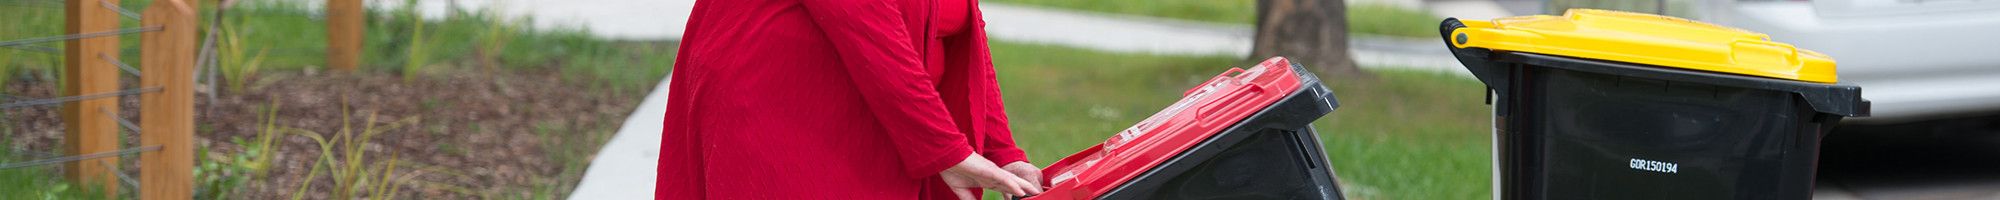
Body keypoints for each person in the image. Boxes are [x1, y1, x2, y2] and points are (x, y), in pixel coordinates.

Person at [658, 0, 1043, 199]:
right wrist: (942, 146)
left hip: (883, 108)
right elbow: (863, 15)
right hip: (786, 105)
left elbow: (960, 26)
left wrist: (1001, 150)